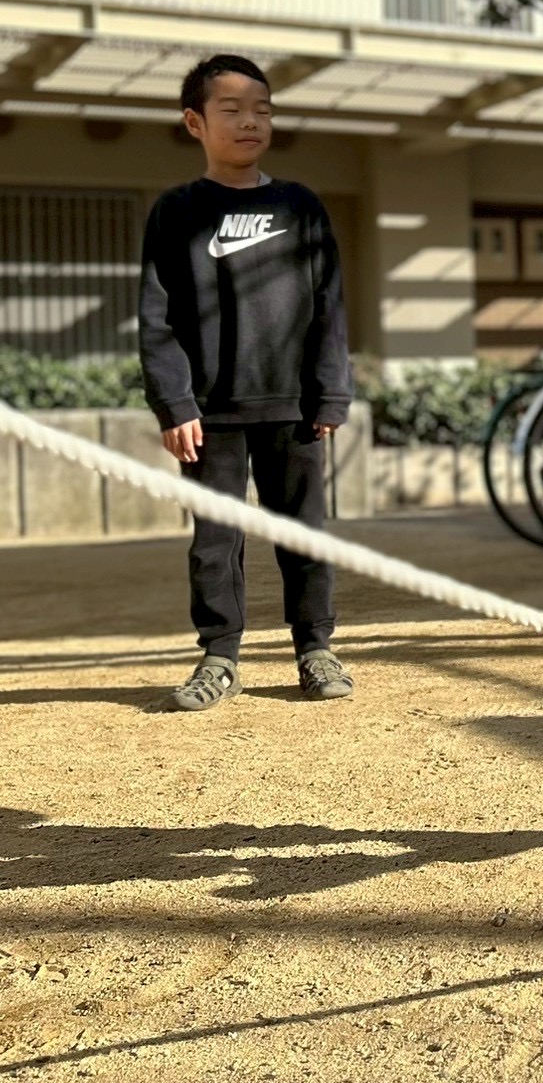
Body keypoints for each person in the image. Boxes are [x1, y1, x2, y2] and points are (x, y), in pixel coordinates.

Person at [138, 54, 355, 709]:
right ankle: (219, 657)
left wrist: (331, 391)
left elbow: (329, 305)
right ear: (194, 122)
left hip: (293, 408)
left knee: (304, 532)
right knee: (214, 543)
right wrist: (173, 402)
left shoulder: (301, 207)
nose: (250, 121)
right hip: (209, 414)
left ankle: (315, 648)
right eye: (230, 110)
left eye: (261, 109)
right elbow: (158, 316)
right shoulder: (175, 211)